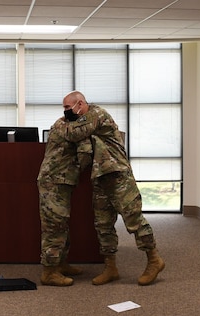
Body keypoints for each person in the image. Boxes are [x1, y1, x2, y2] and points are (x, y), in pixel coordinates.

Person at [60, 91, 165, 286]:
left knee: (133, 220)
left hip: (118, 176)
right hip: (100, 177)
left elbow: (73, 134)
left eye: (67, 107)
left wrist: (62, 123)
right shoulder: (83, 119)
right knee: (103, 225)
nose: (65, 112)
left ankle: (154, 259)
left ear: (80, 104)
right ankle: (111, 267)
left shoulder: (97, 114)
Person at [36, 118, 94, 286]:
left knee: (61, 224)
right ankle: (49, 271)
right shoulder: (70, 126)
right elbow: (85, 154)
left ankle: (60, 263)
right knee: (54, 226)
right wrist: (78, 169)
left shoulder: (64, 123)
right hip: (54, 181)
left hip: (60, 181)